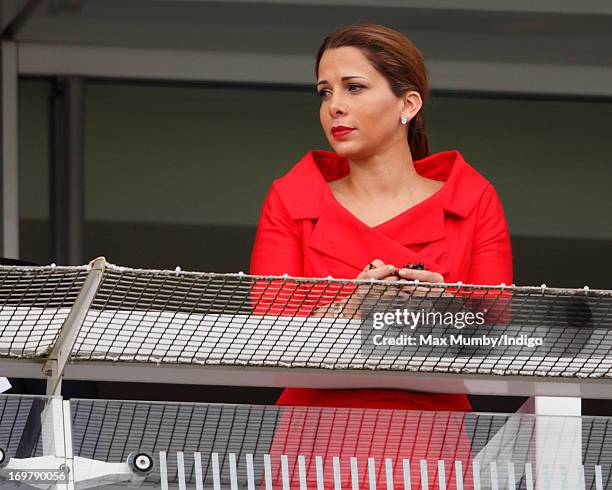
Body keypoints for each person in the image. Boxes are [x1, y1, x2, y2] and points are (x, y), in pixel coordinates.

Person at [250, 23, 512, 488]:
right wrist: (353, 306)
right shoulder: (292, 199)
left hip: (429, 444)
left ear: (407, 105)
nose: (335, 106)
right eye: (324, 91)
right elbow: (267, 335)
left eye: (354, 87)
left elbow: (498, 336)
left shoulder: (472, 199)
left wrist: (444, 305)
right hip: (315, 443)